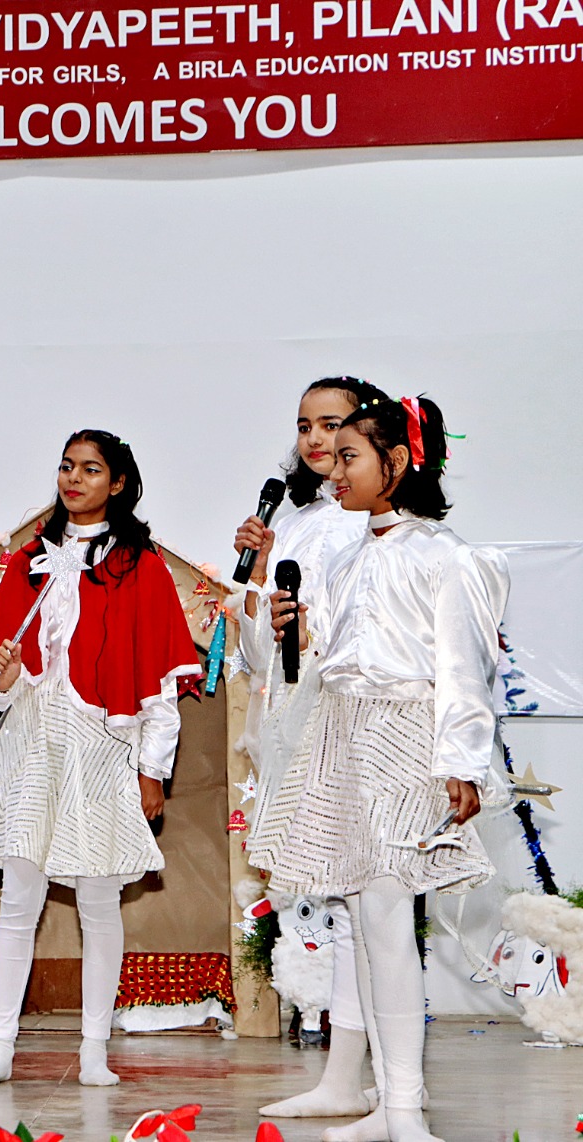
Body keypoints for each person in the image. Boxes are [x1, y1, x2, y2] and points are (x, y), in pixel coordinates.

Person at [265, 395, 505, 1142]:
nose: (334, 471)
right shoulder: (345, 555)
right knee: (368, 923)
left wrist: (461, 761)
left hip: (408, 739)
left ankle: (404, 1108)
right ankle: (390, 1103)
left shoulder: (447, 556)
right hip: (345, 736)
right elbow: (328, 654)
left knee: (390, 919)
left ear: (397, 462)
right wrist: (290, 629)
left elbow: (464, 668)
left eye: (350, 457)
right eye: (332, 458)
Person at [0, 430, 202, 1089]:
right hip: (35, 743)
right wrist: (4, 672)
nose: (74, 478)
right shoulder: (29, 561)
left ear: (117, 483)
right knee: (18, 900)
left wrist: (152, 770)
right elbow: (5, 690)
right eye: (66, 466)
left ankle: (94, 1050)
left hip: (102, 747)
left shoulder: (140, 566)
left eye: (90, 469)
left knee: (98, 902)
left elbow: (158, 684)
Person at [229, 376, 391, 1119]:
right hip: (303, 721)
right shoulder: (293, 524)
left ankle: (382, 1078)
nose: (316, 440)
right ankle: (349, 1076)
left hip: (361, 722)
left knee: (372, 904)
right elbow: (264, 659)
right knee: (345, 904)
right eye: (304, 426)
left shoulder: (375, 524)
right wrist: (261, 580)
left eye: (332, 425)